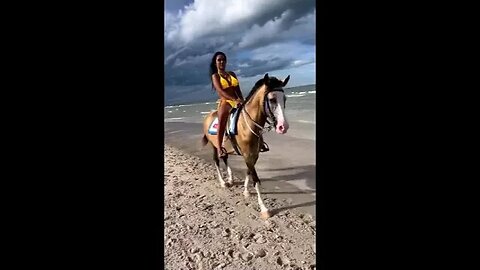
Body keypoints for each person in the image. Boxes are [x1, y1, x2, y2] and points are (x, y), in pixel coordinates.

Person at [209, 51, 269, 158]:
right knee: (222, 118)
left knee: (252, 115)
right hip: (225, 101)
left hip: (237, 99)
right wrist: (234, 100)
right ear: (215, 63)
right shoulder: (215, 76)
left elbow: (238, 89)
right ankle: (219, 148)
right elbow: (221, 91)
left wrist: (242, 100)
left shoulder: (232, 74)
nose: (222, 62)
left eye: (223, 60)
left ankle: (260, 142)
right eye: (219, 60)